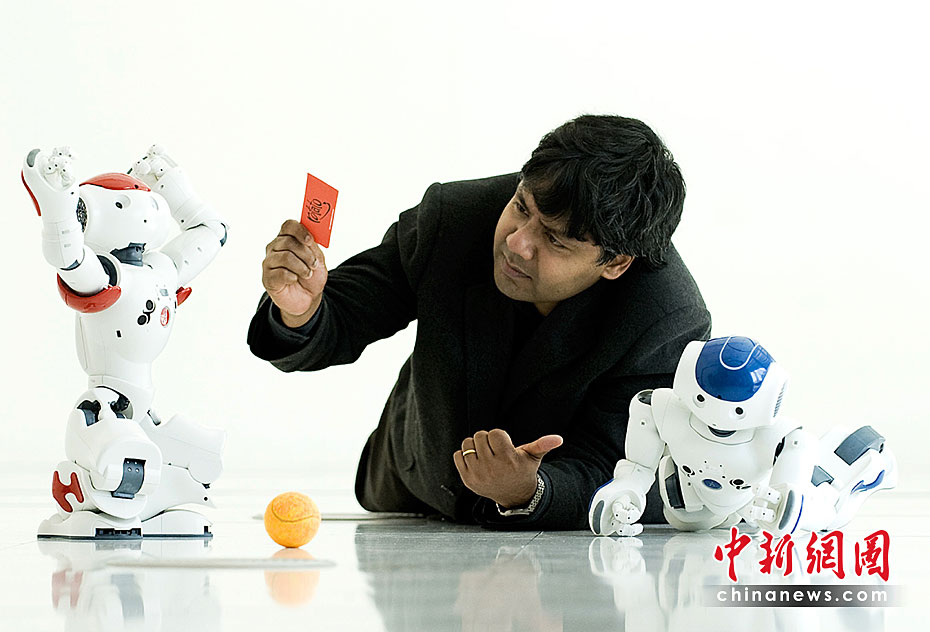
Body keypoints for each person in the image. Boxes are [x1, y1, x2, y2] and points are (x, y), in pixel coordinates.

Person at [247, 114, 711, 529]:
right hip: (411, 478)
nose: (517, 242)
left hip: (554, 530)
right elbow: (348, 312)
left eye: (555, 240)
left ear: (616, 262)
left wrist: (530, 492)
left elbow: (622, 468)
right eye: (521, 207)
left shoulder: (666, 319)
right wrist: (301, 310)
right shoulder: (453, 217)